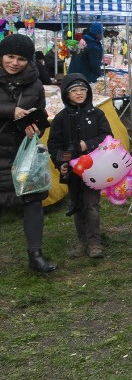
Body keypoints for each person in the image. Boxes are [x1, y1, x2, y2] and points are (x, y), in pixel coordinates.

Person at [0, 33, 55, 273]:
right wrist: (11, 111)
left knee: (33, 200)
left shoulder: (35, 83)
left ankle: (36, 255)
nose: (14, 62)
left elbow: (40, 114)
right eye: (10, 56)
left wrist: (37, 128)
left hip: (23, 153)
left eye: (21, 59)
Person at [47, 73, 112, 258]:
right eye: (74, 90)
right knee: (77, 204)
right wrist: (63, 163)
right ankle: (82, 241)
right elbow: (55, 145)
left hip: (94, 168)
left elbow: (107, 137)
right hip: (73, 171)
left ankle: (94, 242)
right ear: (66, 94)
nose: (79, 93)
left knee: (91, 204)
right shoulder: (61, 118)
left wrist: (88, 145)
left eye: (83, 89)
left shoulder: (97, 114)